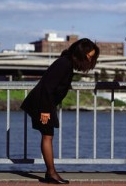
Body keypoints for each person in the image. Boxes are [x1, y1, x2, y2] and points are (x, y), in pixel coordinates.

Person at [21, 38, 99, 184]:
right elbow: (47, 87)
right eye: (89, 55)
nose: (90, 58)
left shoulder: (66, 63)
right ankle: (51, 173)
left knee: (47, 136)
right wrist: (45, 110)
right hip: (42, 104)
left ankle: (51, 173)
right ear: (81, 52)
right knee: (47, 136)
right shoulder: (64, 64)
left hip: (45, 103)